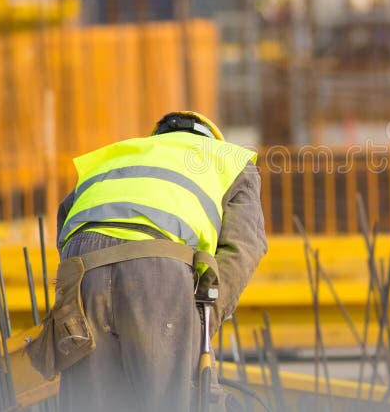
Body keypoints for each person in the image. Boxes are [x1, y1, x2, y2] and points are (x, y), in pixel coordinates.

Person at [55, 111, 267, 412]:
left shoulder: (116, 158)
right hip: (157, 271)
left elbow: (65, 220)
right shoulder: (228, 160)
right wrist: (200, 325)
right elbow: (244, 247)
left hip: (82, 271)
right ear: (210, 140)